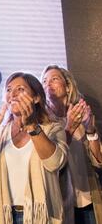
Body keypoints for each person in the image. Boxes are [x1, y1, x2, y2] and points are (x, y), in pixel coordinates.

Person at [0, 72, 68, 224]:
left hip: (40, 216)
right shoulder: (1, 132)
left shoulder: (53, 129)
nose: (13, 94)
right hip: (6, 216)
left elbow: (55, 163)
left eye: (20, 89)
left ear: (36, 98)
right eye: (9, 90)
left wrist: (31, 126)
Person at [41, 65, 102, 224]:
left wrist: (90, 130)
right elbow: (51, 162)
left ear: (68, 87)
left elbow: (99, 160)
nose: (48, 84)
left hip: (89, 200)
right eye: (44, 81)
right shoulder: (42, 123)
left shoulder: (80, 115)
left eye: (54, 79)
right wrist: (69, 128)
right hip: (60, 204)